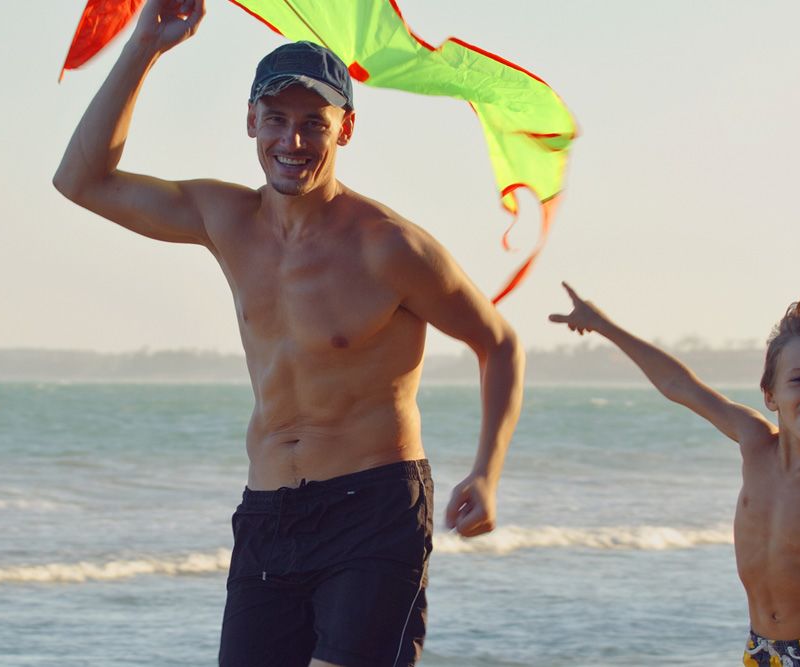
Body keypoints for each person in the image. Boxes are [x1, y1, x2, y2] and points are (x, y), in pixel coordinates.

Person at [53, 1, 524, 665]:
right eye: (276, 119)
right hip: (268, 514)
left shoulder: (389, 248)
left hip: (373, 511)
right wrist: (145, 45)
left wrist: (488, 471)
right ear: (251, 122)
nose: (292, 141)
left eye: (313, 124)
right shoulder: (226, 219)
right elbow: (80, 180)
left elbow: (497, 342)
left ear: (346, 129)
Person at [549, 283, 800, 665]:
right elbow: (678, 384)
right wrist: (603, 326)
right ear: (770, 394)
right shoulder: (754, 442)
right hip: (763, 651)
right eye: (798, 379)